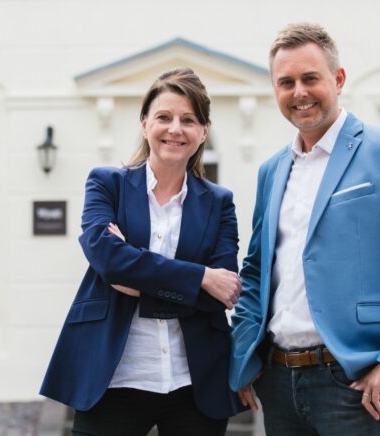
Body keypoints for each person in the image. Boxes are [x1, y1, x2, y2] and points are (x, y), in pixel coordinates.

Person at [229, 23, 380, 435]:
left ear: (338, 79)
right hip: (278, 382)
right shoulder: (272, 171)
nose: (298, 91)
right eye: (286, 82)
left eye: (310, 78)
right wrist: (243, 358)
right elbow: (255, 272)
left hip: (353, 382)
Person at [40, 67, 246, 436]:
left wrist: (134, 276)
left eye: (188, 120)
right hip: (113, 377)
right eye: (164, 117)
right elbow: (107, 257)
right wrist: (198, 277)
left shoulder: (220, 203)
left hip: (195, 381)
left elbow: (223, 291)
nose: (175, 129)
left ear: (204, 131)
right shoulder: (107, 184)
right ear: (145, 122)